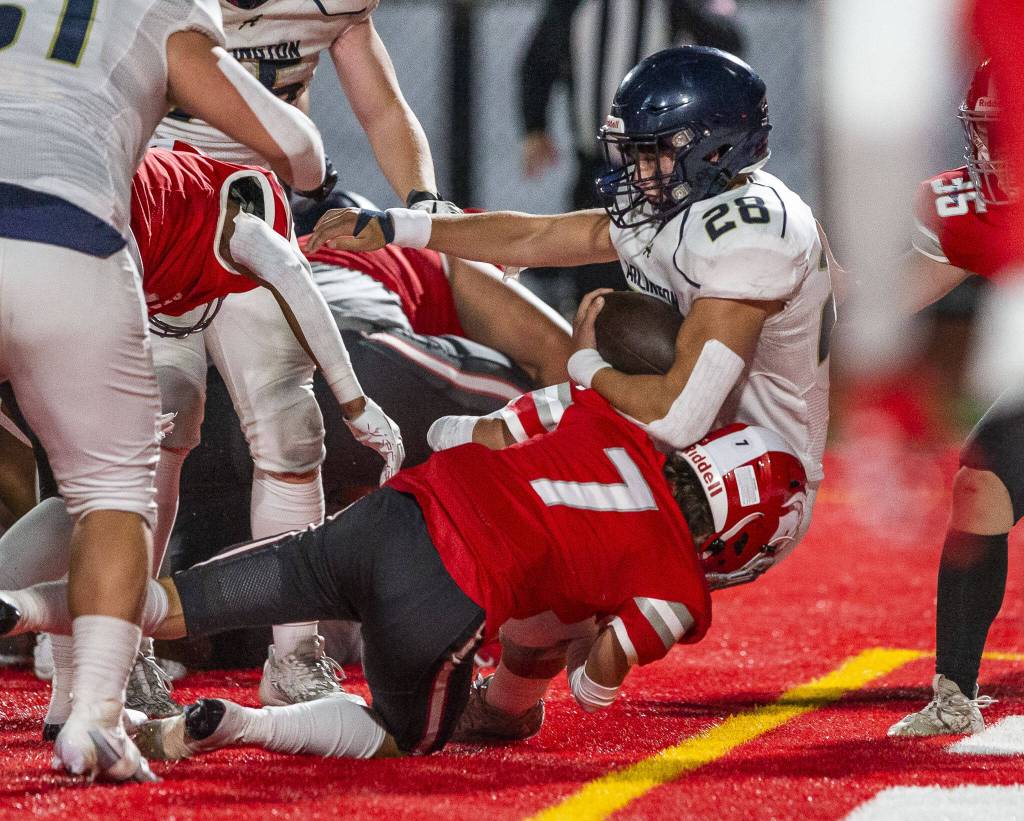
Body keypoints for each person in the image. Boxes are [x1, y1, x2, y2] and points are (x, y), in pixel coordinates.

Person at [0, 393, 808, 761]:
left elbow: (490, 428)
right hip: (443, 594)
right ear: (741, 538)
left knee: (178, 603)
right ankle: (242, 726)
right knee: (398, 735)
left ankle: (24, 606)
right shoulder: (677, 585)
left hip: (399, 510)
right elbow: (596, 684)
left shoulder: (609, 420)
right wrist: (596, 622)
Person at [308, 45, 837, 588]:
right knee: (487, 440)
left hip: (755, 479)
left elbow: (677, 419)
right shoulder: (693, 203)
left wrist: (583, 362)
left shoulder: (748, 237)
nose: (638, 170)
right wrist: (399, 228)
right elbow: (536, 235)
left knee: (551, 520)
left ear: (712, 152)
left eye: (653, 153)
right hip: (696, 415)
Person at [0, 0, 327, 781]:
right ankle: (94, 718)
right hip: (68, 235)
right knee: (114, 494)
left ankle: (63, 667)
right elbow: (297, 148)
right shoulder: (164, 12)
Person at [0, 145, 404, 725]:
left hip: (144, 255)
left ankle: (291, 660)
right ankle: (107, 670)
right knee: (113, 470)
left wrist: (355, 401)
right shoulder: (95, 230)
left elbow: (288, 270)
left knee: (284, 434)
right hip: (110, 268)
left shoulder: (206, 219)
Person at [148, 0, 459, 705]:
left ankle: (295, 656)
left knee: (291, 433)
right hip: (153, 220)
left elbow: (384, 111)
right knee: (150, 436)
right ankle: (113, 645)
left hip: (259, 218)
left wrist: (424, 202)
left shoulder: (331, 5)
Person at [888, 59, 1020, 737]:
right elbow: (897, 293)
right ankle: (955, 691)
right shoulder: (967, 205)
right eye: (989, 134)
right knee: (983, 483)